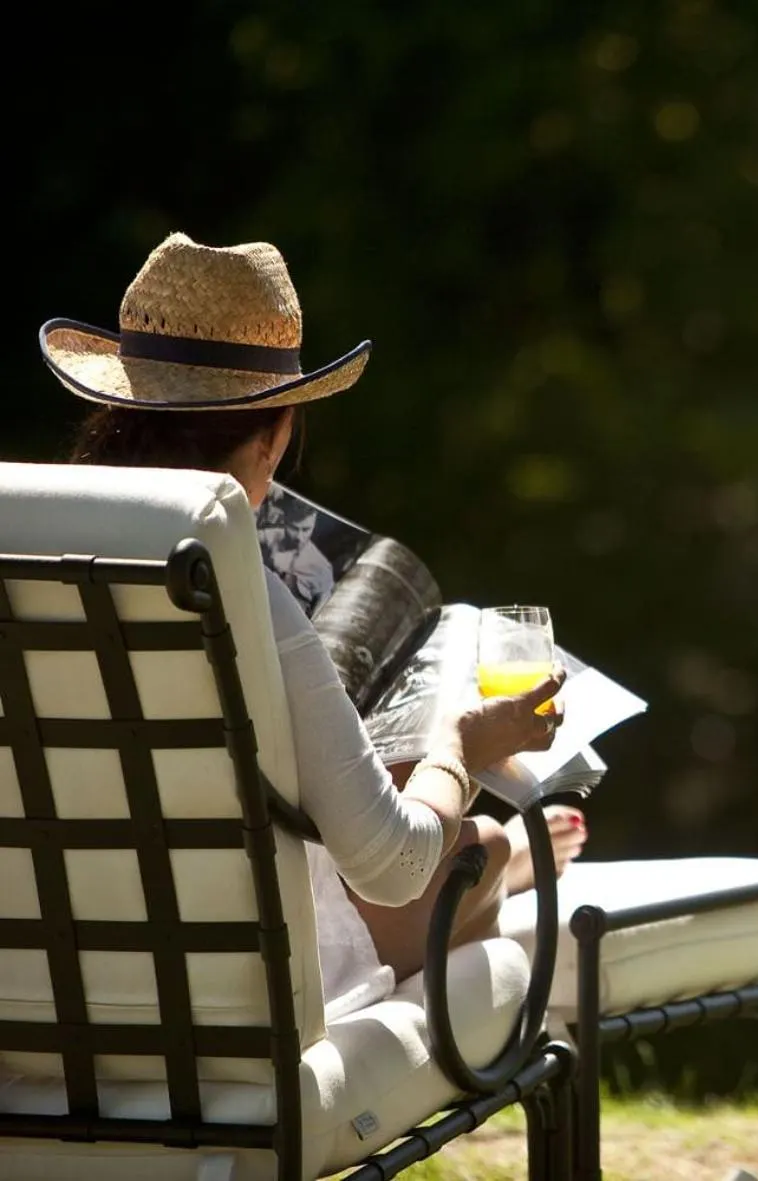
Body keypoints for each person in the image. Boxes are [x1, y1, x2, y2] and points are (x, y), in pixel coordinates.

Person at [42, 232, 588, 1019]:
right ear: (274, 432)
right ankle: (502, 872)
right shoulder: (237, 593)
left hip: (51, 968)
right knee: (486, 846)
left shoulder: (29, 565)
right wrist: (462, 747)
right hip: (231, 983)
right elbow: (393, 867)